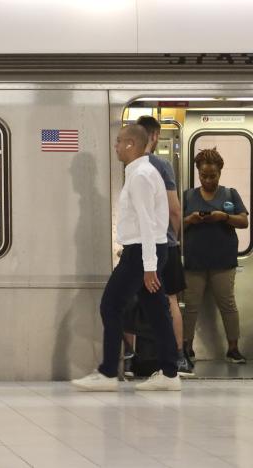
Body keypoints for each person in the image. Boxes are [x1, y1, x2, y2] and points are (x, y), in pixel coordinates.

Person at [71, 124, 180, 391]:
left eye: (119, 141)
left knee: (111, 305)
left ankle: (108, 373)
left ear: (131, 144)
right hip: (143, 250)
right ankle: (170, 373)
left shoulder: (141, 175)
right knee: (157, 312)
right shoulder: (140, 173)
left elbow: (148, 222)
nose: (116, 146)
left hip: (142, 253)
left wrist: (149, 266)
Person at [130, 115, 193, 375]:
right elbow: (174, 210)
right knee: (170, 300)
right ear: (155, 136)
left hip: (138, 245)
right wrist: (174, 240)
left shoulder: (132, 165)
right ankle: (177, 356)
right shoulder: (161, 165)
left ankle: (136, 356)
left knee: (131, 299)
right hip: (163, 245)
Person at [182, 148, 249, 364]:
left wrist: (224, 216)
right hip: (195, 261)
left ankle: (233, 348)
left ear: (220, 173)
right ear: (198, 173)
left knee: (227, 305)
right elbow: (175, 225)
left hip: (223, 261)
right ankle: (187, 347)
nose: (208, 180)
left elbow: (243, 221)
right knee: (191, 305)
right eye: (203, 175)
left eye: (213, 176)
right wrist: (190, 220)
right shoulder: (188, 196)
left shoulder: (230, 194)